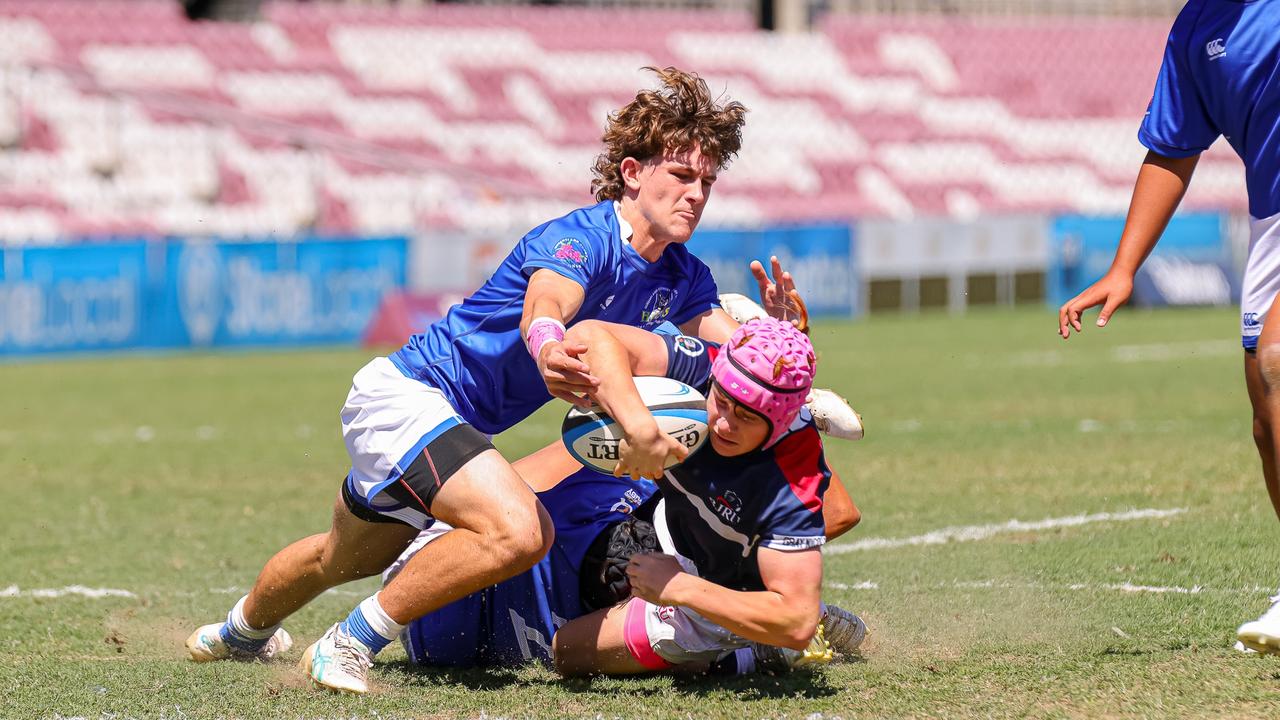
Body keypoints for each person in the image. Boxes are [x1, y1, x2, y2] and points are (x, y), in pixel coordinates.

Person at [183, 66, 841, 694]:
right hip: (407, 396)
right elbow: (548, 306)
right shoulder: (581, 238)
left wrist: (783, 339)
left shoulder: (685, 276)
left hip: (456, 432)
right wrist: (547, 343)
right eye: (681, 174)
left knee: (340, 558)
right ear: (632, 173)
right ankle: (349, 641)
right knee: (520, 532)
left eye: (707, 180)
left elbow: (744, 364)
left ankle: (239, 632)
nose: (696, 193)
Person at [1056, 2, 1280, 654]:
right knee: (1268, 425)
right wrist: (1124, 267)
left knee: (1277, 360)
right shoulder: (1195, 28)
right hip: (1270, 224)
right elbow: (1173, 148)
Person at [540, 317, 861, 676]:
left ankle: (751, 649)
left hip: (729, 593)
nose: (723, 423)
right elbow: (588, 337)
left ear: (780, 423)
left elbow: (796, 620)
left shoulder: (792, 481)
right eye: (721, 401)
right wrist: (640, 429)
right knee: (571, 638)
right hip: (680, 536)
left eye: (745, 416)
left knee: (565, 652)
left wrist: (681, 588)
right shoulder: (705, 368)